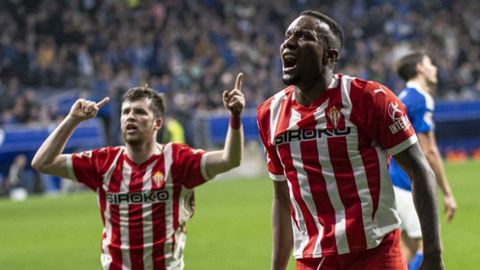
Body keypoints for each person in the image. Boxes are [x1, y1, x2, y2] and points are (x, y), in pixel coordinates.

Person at [256, 10, 444, 270]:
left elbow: (420, 171)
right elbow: (281, 197)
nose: (288, 43)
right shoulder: (270, 113)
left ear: (330, 55)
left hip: (375, 254)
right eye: (287, 36)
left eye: (303, 36)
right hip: (313, 259)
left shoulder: (369, 99)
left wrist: (433, 255)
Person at [32, 73, 245, 270]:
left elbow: (230, 159)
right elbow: (42, 162)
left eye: (140, 112)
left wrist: (235, 117)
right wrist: (72, 120)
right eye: (126, 112)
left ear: (157, 123)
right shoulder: (104, 162)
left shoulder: (178, 160)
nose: (130, 117)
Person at [389, 52, 457, 270]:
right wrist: (447, 193)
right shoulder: (421, 99)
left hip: (392, 182)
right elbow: (430, 152)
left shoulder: (402, 97)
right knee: (428, 249)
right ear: (420, 68)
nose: (435, 68)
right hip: (405, 184)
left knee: (406, 250)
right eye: (430, 63)